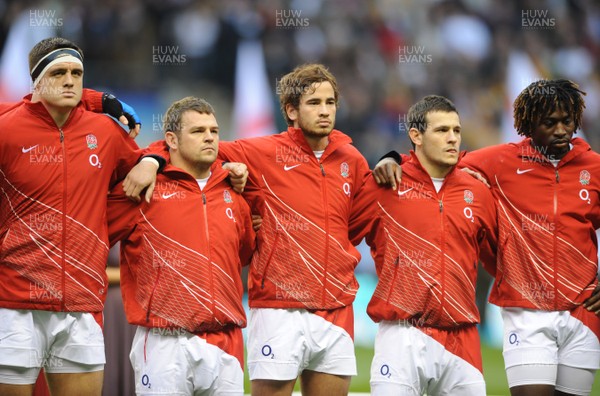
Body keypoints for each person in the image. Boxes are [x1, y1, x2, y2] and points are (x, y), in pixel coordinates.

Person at [146, 63, 370, 395]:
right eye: (313, 103)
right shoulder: (262, 152)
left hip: (336, 309)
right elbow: (182, 148)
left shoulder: (352, 160)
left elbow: (353, 226)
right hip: (278, 308)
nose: (324, 111)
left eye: (330, 102)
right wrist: (150, 161)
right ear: (291, 111)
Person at [375, 79, 600, 396]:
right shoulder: (499, 161)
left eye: (568, 121)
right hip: (526, 312)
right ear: (529, 124)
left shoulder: (595, 167)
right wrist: (392, 158)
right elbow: (438, 158)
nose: (562, 130)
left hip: (584, 313)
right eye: (550, 123)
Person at [0, 37, 163, 396]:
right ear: (36, 81)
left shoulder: (104, 132)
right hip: (12, 302)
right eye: (59, 73)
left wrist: (151, 161)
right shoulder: (7, 129)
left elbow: (163, 154)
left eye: (77, 73)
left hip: (81, 301)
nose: (71, 80)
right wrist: (99, 98)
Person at [107, 96, 255, 395]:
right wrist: (149, 160)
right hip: (164, 342)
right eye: (198, 131)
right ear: (171, 140)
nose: (210, 137)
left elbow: (244, 254)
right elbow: (90, 234)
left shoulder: (234, 194)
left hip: (226, 341)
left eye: (214, 130)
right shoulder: (141, 189)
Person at [349, 95, 497, 395]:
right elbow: (340, 234)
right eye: (442, 131)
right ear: (415, 135)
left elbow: (502, 257)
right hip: (401, 335)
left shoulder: (478, 192)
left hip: (463, 338)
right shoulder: (385, 185)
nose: (453, 138)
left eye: (456, 130)